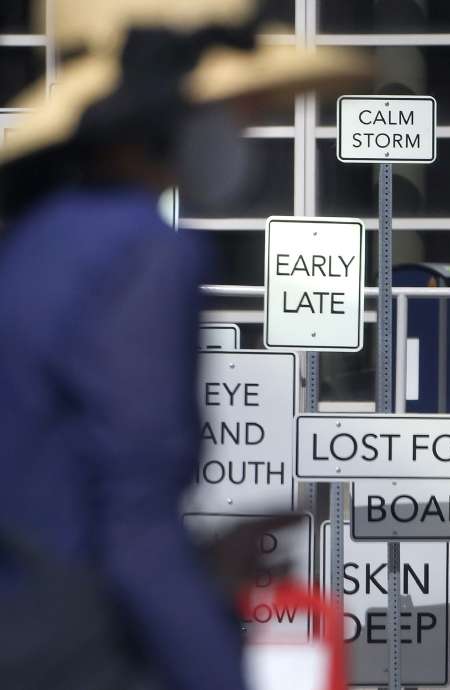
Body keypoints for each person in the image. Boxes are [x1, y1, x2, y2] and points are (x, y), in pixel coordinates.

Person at [0, 2, 366, 689]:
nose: (245, 130)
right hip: (84, 654)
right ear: (164, 119)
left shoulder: (32, 240)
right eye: (232, 109)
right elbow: (131, 527)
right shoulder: (145, 250)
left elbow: (53, 483)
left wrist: (209, 559)